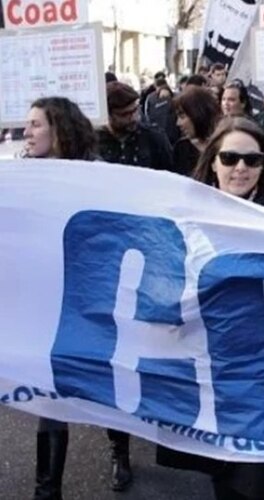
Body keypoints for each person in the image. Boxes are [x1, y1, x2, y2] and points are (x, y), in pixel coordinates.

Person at [158, 117, 264, 500]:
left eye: (252, 160)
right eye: (231, 157)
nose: (240, 168)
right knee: (223, 472)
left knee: (260, 478)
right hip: (207, 365)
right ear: (214, 161)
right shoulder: (183, 218)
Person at [22, 97, 99, 499]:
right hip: (37, 300)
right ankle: (46, 489)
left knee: (102, 389)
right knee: (44, 392)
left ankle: (119, 447)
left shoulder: (95, 176)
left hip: (82, 300)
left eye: (35, 125)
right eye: (26, 124)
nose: (26, 132)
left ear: (59, 130)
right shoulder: (17, 174)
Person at [97, 81, 174, 172]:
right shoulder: (94, 142)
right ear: (108, 115)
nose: (133, 118)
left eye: (135, 110)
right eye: (124, 114)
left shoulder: (153, 137)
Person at [172, 86, 222, 176]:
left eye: (182, 116)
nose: (178, 123)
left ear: (198, 114)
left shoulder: (225, 145)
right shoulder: (181, 148)